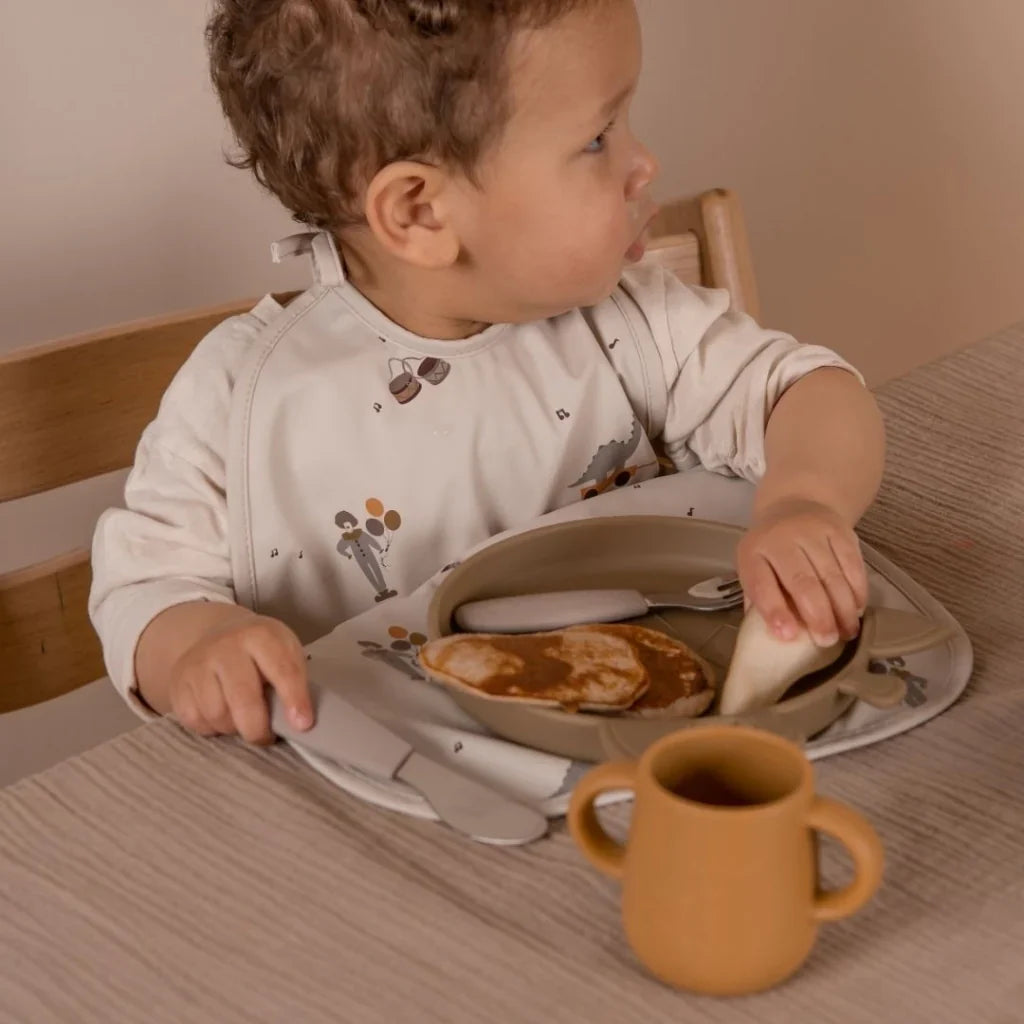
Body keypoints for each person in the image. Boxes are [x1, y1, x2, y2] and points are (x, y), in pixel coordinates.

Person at [89, 0, 886, 745]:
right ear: (421, 212)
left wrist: (805, 500)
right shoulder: (239, 400)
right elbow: (143, 590)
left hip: (631, 753)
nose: (645, 162)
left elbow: (809, 393)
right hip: (393, 780)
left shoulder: (633, 323)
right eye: (598, 138)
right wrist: (200, 644)